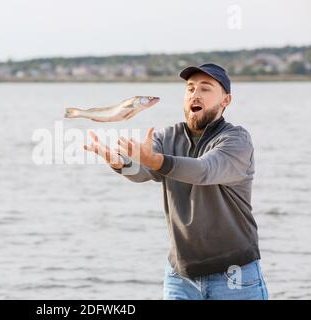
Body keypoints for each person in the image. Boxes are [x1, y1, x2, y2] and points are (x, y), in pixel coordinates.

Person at [83, 63, 268, 300]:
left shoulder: (236, 140)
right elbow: (142, 172)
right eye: (190, 88)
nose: (195, 94)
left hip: (235, 276)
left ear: (226, 100)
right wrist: (119, 163)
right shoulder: (168, 137)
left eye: (205, 88)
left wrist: (156, 160)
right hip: (181, 277)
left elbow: (203, 170)